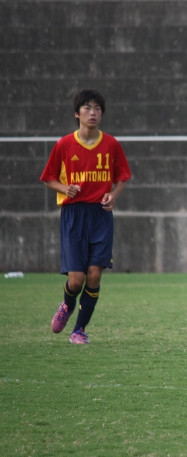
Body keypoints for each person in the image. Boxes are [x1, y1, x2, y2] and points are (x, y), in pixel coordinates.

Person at [40, 89, 132, 344]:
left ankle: (79, 330)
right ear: (77, 113)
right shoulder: (65, 145)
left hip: (100, 215)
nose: (93, 113)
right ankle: (68, 303)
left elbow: (123, 176)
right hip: (74, 214)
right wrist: (64, 188)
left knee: (94, 275)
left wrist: (114, 194)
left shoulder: (111, 144)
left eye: (97, 109)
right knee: (76, 279)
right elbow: (48, 177)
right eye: (87, 108)